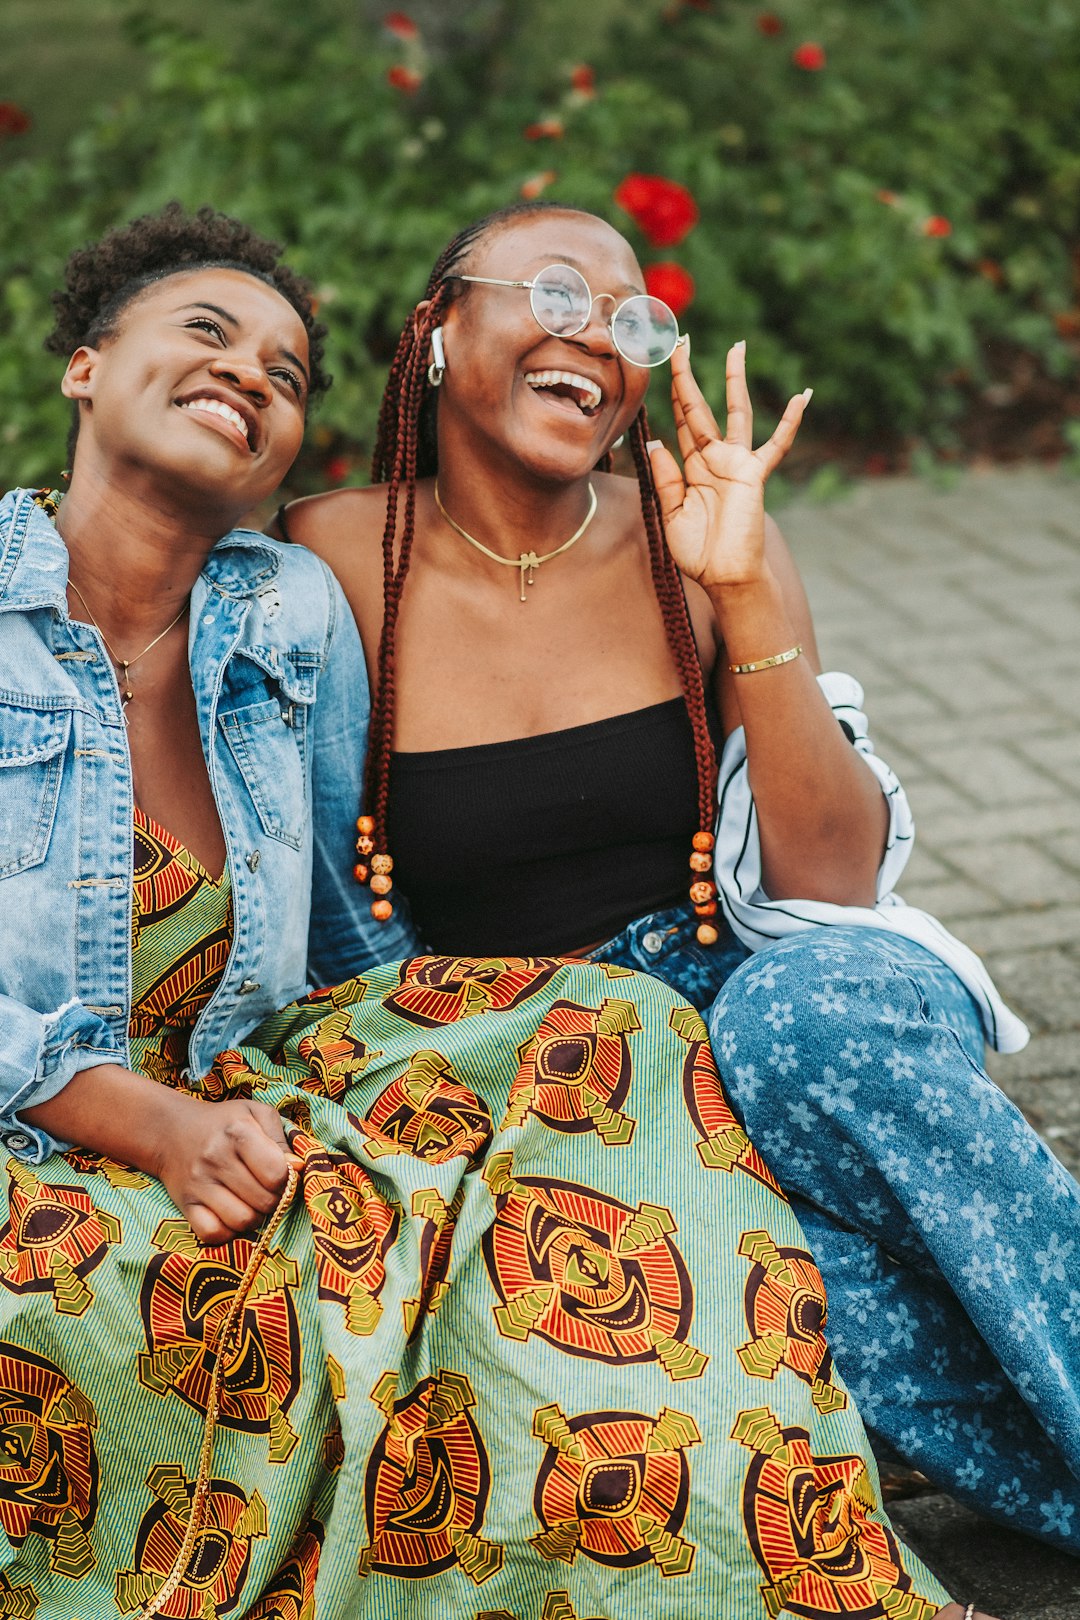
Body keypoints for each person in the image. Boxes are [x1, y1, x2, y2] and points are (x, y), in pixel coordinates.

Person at [0, 206, 964, 1618]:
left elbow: (346, 930)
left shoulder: (282, 613)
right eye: (207, 334)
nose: (251, 376)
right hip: (54, 1149)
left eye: (283, 370)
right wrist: (145, 1123)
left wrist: (449, 1101)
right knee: (153, 1311)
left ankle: (799, 1565)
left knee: (603, 1027)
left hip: (234, 1110)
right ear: (87, 365)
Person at [277, 199, 1080, 1559]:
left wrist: (750, 595)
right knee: (803, 1285)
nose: (598, 336)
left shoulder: (691, 544)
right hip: (541, 1062)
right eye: (553, 293)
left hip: (756, 992)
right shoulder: (329, 558)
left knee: (809, 1016)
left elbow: (833, 878)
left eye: (634, 318)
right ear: (435, 330)